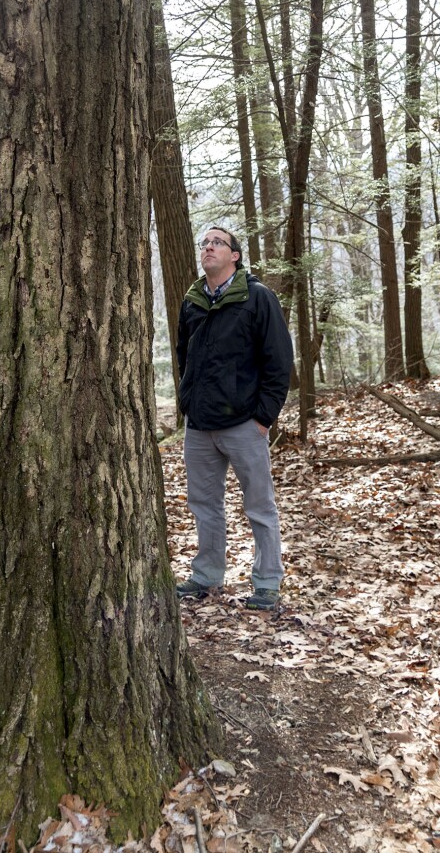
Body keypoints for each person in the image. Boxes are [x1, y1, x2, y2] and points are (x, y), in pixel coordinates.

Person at [175, 226, 293, 610]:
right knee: (204, 505)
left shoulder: (257, 298)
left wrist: (263, 417)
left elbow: (278, 361)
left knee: (259, 506)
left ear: (235, 255)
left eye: (217, 243)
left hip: (244, 423)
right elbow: (184, 356)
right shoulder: (192, 302)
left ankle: (267, 583)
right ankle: (208, 576)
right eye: (205, 243)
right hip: (200, 425)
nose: (208, 248)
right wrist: (188, 402)